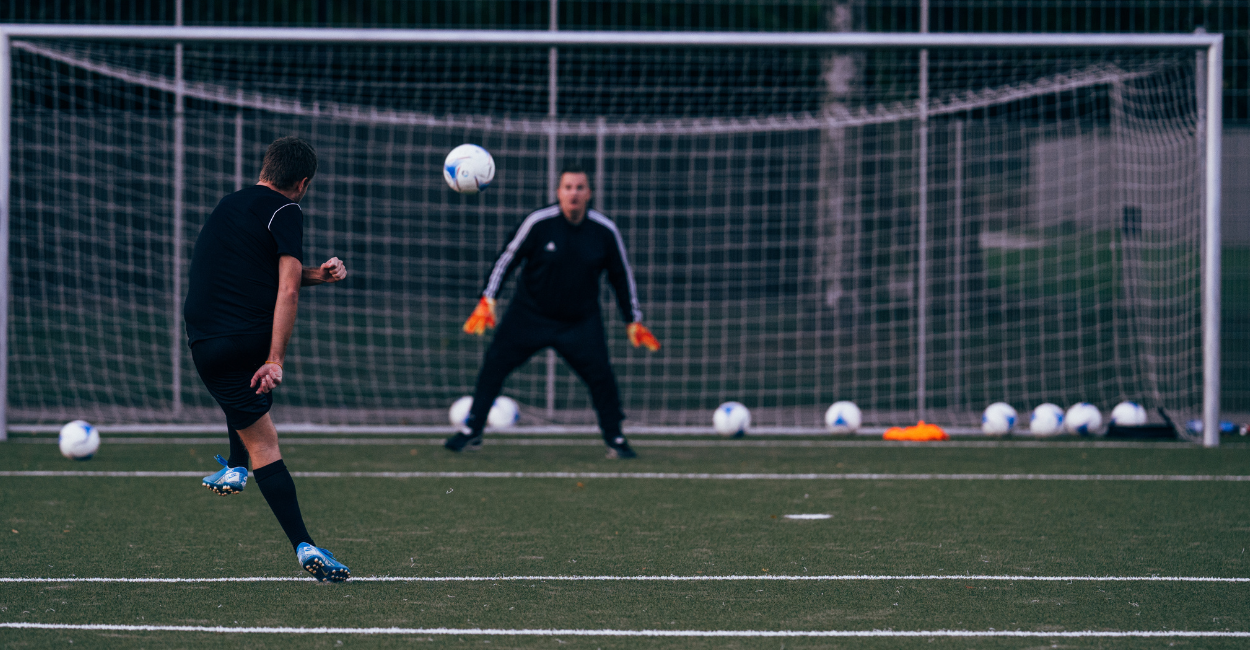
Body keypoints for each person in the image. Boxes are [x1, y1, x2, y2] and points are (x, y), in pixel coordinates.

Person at [183, 136, 351, 582]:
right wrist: (275, 358)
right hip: (247, 337)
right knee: (266, 444)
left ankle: (235, 469)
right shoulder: (288, 210)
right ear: (303, 182)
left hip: (203, 342)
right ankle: (304, 544)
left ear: (264, 168)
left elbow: (268, 274)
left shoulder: (230, 204)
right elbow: (286, 289)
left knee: (239, 395)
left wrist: (319, 273)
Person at [446, 163, 661, 458]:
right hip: (529, 315)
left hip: (580, 321)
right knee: (494, 365)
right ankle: (472, 431)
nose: (573, 193)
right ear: (558, 192)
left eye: (580, 187)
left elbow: (621, 276)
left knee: (602, 377)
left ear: (589, 194)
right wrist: (488, 299)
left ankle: (615, 438)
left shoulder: (604, 231)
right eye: (568, 187)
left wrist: (633, 320)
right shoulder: (539, 222)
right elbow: (507, 258)